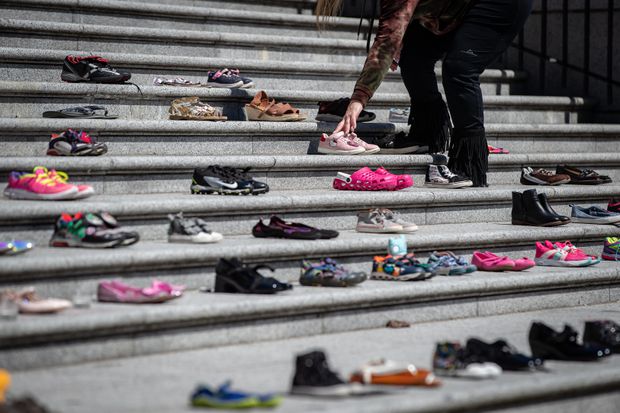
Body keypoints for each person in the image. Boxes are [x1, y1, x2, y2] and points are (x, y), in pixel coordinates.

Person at [317, 0, 533, 187]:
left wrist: (358, 100)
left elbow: (386, 41)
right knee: (414, 57)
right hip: (452, 9)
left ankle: (469, 163)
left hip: (499, 5)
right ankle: (426, 132)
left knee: (460, 68)